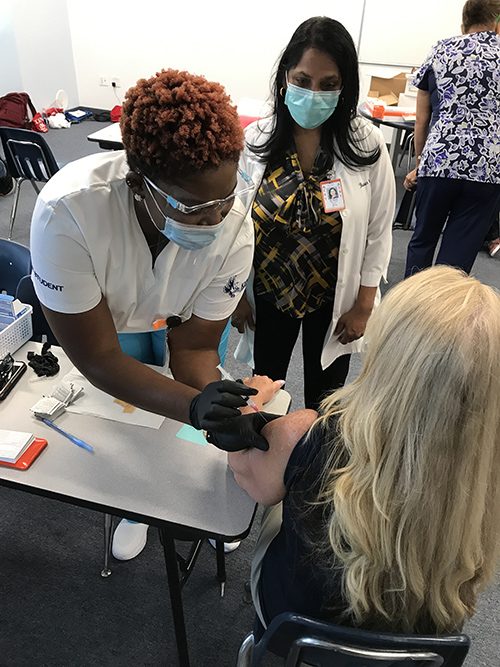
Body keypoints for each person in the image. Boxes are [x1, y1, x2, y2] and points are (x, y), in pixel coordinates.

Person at [30, 69, 280, 561]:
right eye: (193, 206)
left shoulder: (233, 226)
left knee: (191, 397)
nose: (214, 219)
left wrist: (212, 403)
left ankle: (203, 490)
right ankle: (134, 506)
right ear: (139, 181)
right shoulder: (67, 213)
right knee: (128, 414)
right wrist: (190, 406)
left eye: (224, 198)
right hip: (109, 324)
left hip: (178, 316)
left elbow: (195, 345)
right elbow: (100, 359)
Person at [228, 266, 500, 635]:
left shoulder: (310, 432)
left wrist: (251, 403)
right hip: (418, 645)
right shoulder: (485, 470)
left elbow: (246, 474)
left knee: (274, 499)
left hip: (298, 627)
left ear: (390, 353)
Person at [231, 16, 395, 410]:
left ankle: (313, 463)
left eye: (328, 84)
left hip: (331, 296)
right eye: (302, 80)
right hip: (270, 292)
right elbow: (232, 225)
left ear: (345, 87)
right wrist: (234, 295)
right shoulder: (257, 141)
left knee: (325, 398)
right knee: (265, 390)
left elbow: (378, 229)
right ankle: (262, 458)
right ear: (286, 76)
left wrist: (364, 304)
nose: (313, 93)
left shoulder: (365, 144)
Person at [403, 0, 500, 276]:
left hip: (439, 160)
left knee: (423, 239)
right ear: (496, 22)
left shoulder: (440, 50)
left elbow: (421, 119)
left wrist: (421, 163)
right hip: (487, 168)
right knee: (459, 252)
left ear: (463, 23)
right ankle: (444, 316)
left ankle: (410, 309)